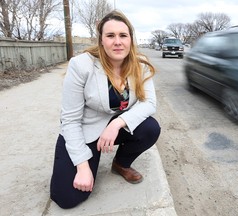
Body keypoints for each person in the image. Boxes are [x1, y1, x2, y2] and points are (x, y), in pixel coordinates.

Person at [49, 10, 161, 209]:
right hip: (86, 128)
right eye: (110, 36)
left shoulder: (139, 65)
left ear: (130, 39)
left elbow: (149, 103)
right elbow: (70, 120)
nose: (117, 41)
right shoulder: (81, 65)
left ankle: (120, 164)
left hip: (114, 128)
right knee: (66, 198)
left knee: (150, 128)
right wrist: (83, 166)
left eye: (123, 35)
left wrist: (117, 123)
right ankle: (91, 157)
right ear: (101, 40)